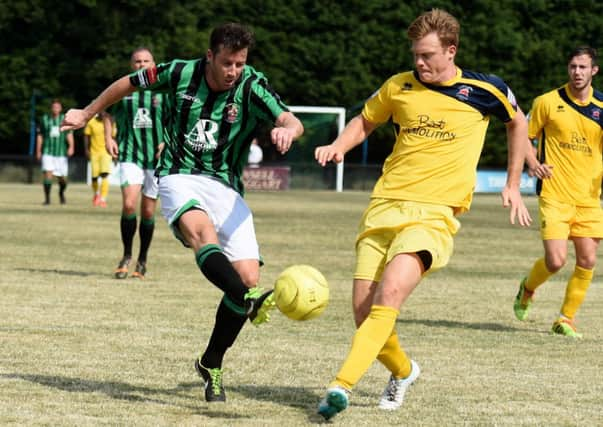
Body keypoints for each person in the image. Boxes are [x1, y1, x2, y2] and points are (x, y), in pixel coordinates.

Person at [61, 23, 304, 402]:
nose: (233, 71)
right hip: (179, 175)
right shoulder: (179, 72)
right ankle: (249, 299)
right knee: (204, 239)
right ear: (210, 56)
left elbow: (290, 118)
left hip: (226, 186)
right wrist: (88, 112)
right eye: (227, 63)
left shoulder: (252, 85)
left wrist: (288, 130)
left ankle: (211, 362)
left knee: (246, 276)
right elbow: (129, 82)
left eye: (240, 63)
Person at [314, 9, 531, 420]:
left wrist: (512, 183)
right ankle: (404, 370)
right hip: (383, 207)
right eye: (415, 54)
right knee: (363, 313)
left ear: (451, 51)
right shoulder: (399, 86)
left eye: (427, 55)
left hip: (433, 215)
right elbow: (365, 120)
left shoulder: (485, 89)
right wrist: (340, 146)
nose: (419, 62)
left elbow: (517, 123)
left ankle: (339, 386)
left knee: (390, 294)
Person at [514, 46, 603, 339]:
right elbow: (522, 135)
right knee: (555, 260)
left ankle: (565, 319)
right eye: (573, 67)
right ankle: (527, 288)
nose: (577, 72)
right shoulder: (547, 102)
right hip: (555, 194)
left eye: (583, 67)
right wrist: (533, 162)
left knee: (588, 260)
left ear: (594, 71)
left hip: (589, 199)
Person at [102, 47, 166, 280]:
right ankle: (126, 255)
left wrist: (166, 142)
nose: (141, 64)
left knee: (148, 210)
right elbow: (106, 113)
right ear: (132, 65)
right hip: (130, 155)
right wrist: (108, 137)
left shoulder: (164, 90)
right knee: (129, 205)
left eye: (145, 61)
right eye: (137, 61)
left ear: (154, 64)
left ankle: (142, 259)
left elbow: (177, 118)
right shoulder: (124, 89)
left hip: (155, 158)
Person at [36, 99, 74, 205]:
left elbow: (69, 134)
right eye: (54, 107)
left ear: (60, 108)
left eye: (58, 107)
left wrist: (71, 147)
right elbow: (40, 136)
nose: (55, 109)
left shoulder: (64, 119)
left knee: (62, 179)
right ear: (51, 108)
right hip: (47, 151)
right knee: (48, 175)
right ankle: (47, 199)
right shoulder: (44, 119)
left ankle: (61, 193)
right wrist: (38, 151)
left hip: (61, 153)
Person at [83, 111, 115, 207]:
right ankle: (96, 194)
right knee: (94, 177)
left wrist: (114, 151)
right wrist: (86, 150)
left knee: (104, 175)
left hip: (106, 152)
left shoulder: (110, 122)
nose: (102, 113)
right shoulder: (91, 122)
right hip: (94, 152)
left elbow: (113, 137)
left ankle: (103, 199)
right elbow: (86, 136)